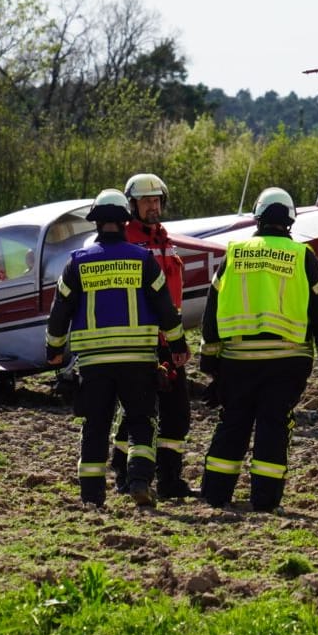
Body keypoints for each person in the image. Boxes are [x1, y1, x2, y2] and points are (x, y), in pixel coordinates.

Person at [198, 187, 318, 513]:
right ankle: (264, 500)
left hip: (238, 360)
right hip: (288, 360)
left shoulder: (234, 254)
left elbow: (213, 309)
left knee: (233, 422)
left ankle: (215, 494)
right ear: (290, 221)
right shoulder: (303, 256)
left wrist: (210, 361)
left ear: (257, 218)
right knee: (273, 426)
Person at [45, 190, 188, 507]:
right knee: (141, 421)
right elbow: (166, 310)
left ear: (95, 223)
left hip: (94, 363)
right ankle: (138, 480)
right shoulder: (144, 260)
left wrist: (53, 351)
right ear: (126, 220)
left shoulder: (77, 263)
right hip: (138, 359)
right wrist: (177, 345)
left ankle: (92, 497)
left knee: (95, 426)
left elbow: (60, 312)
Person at [111, 173, 198, 499]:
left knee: (177, 414)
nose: (153, 206)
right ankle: (122, 472)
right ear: (131, 204)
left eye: (157, 200)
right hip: (141, 341)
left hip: (169, 341)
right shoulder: (126, 243)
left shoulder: (164, 239)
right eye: (146, 201)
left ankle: (170, 480)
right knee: (136, 413)